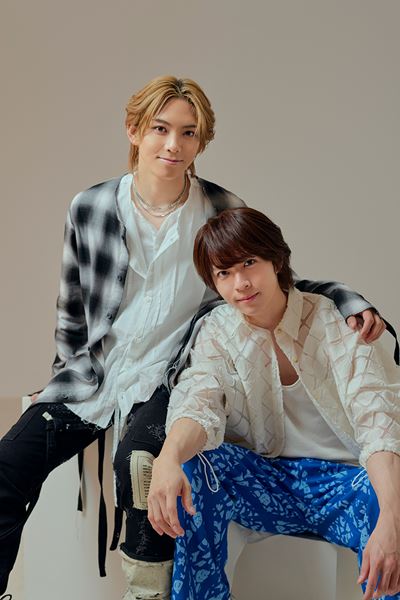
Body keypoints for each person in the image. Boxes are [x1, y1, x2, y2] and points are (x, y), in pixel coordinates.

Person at [0, 76, 386, 600]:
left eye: (188, 133)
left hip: (170, 375)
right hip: (97, 377)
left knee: (140, 466)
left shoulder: (222, 208)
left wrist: (345, 298)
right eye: (160, 129)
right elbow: (71, 307)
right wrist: (61, 379)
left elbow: (270, 278)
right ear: (134, 130)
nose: (173, 145)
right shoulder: (90, 207)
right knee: (8, 466)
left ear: (202, 141)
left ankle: (150, 592)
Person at [148, 207, 400, 600]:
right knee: (194, 465)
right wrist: (167, 458)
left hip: (343, 484)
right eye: (224, 273)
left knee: (391, 500)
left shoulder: (337, 319)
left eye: (250, 263)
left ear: (276, 260)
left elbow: (377, 420)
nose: (241, 284)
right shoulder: (217, 330)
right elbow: (199, 400)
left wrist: (392, 519)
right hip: (266, 482)